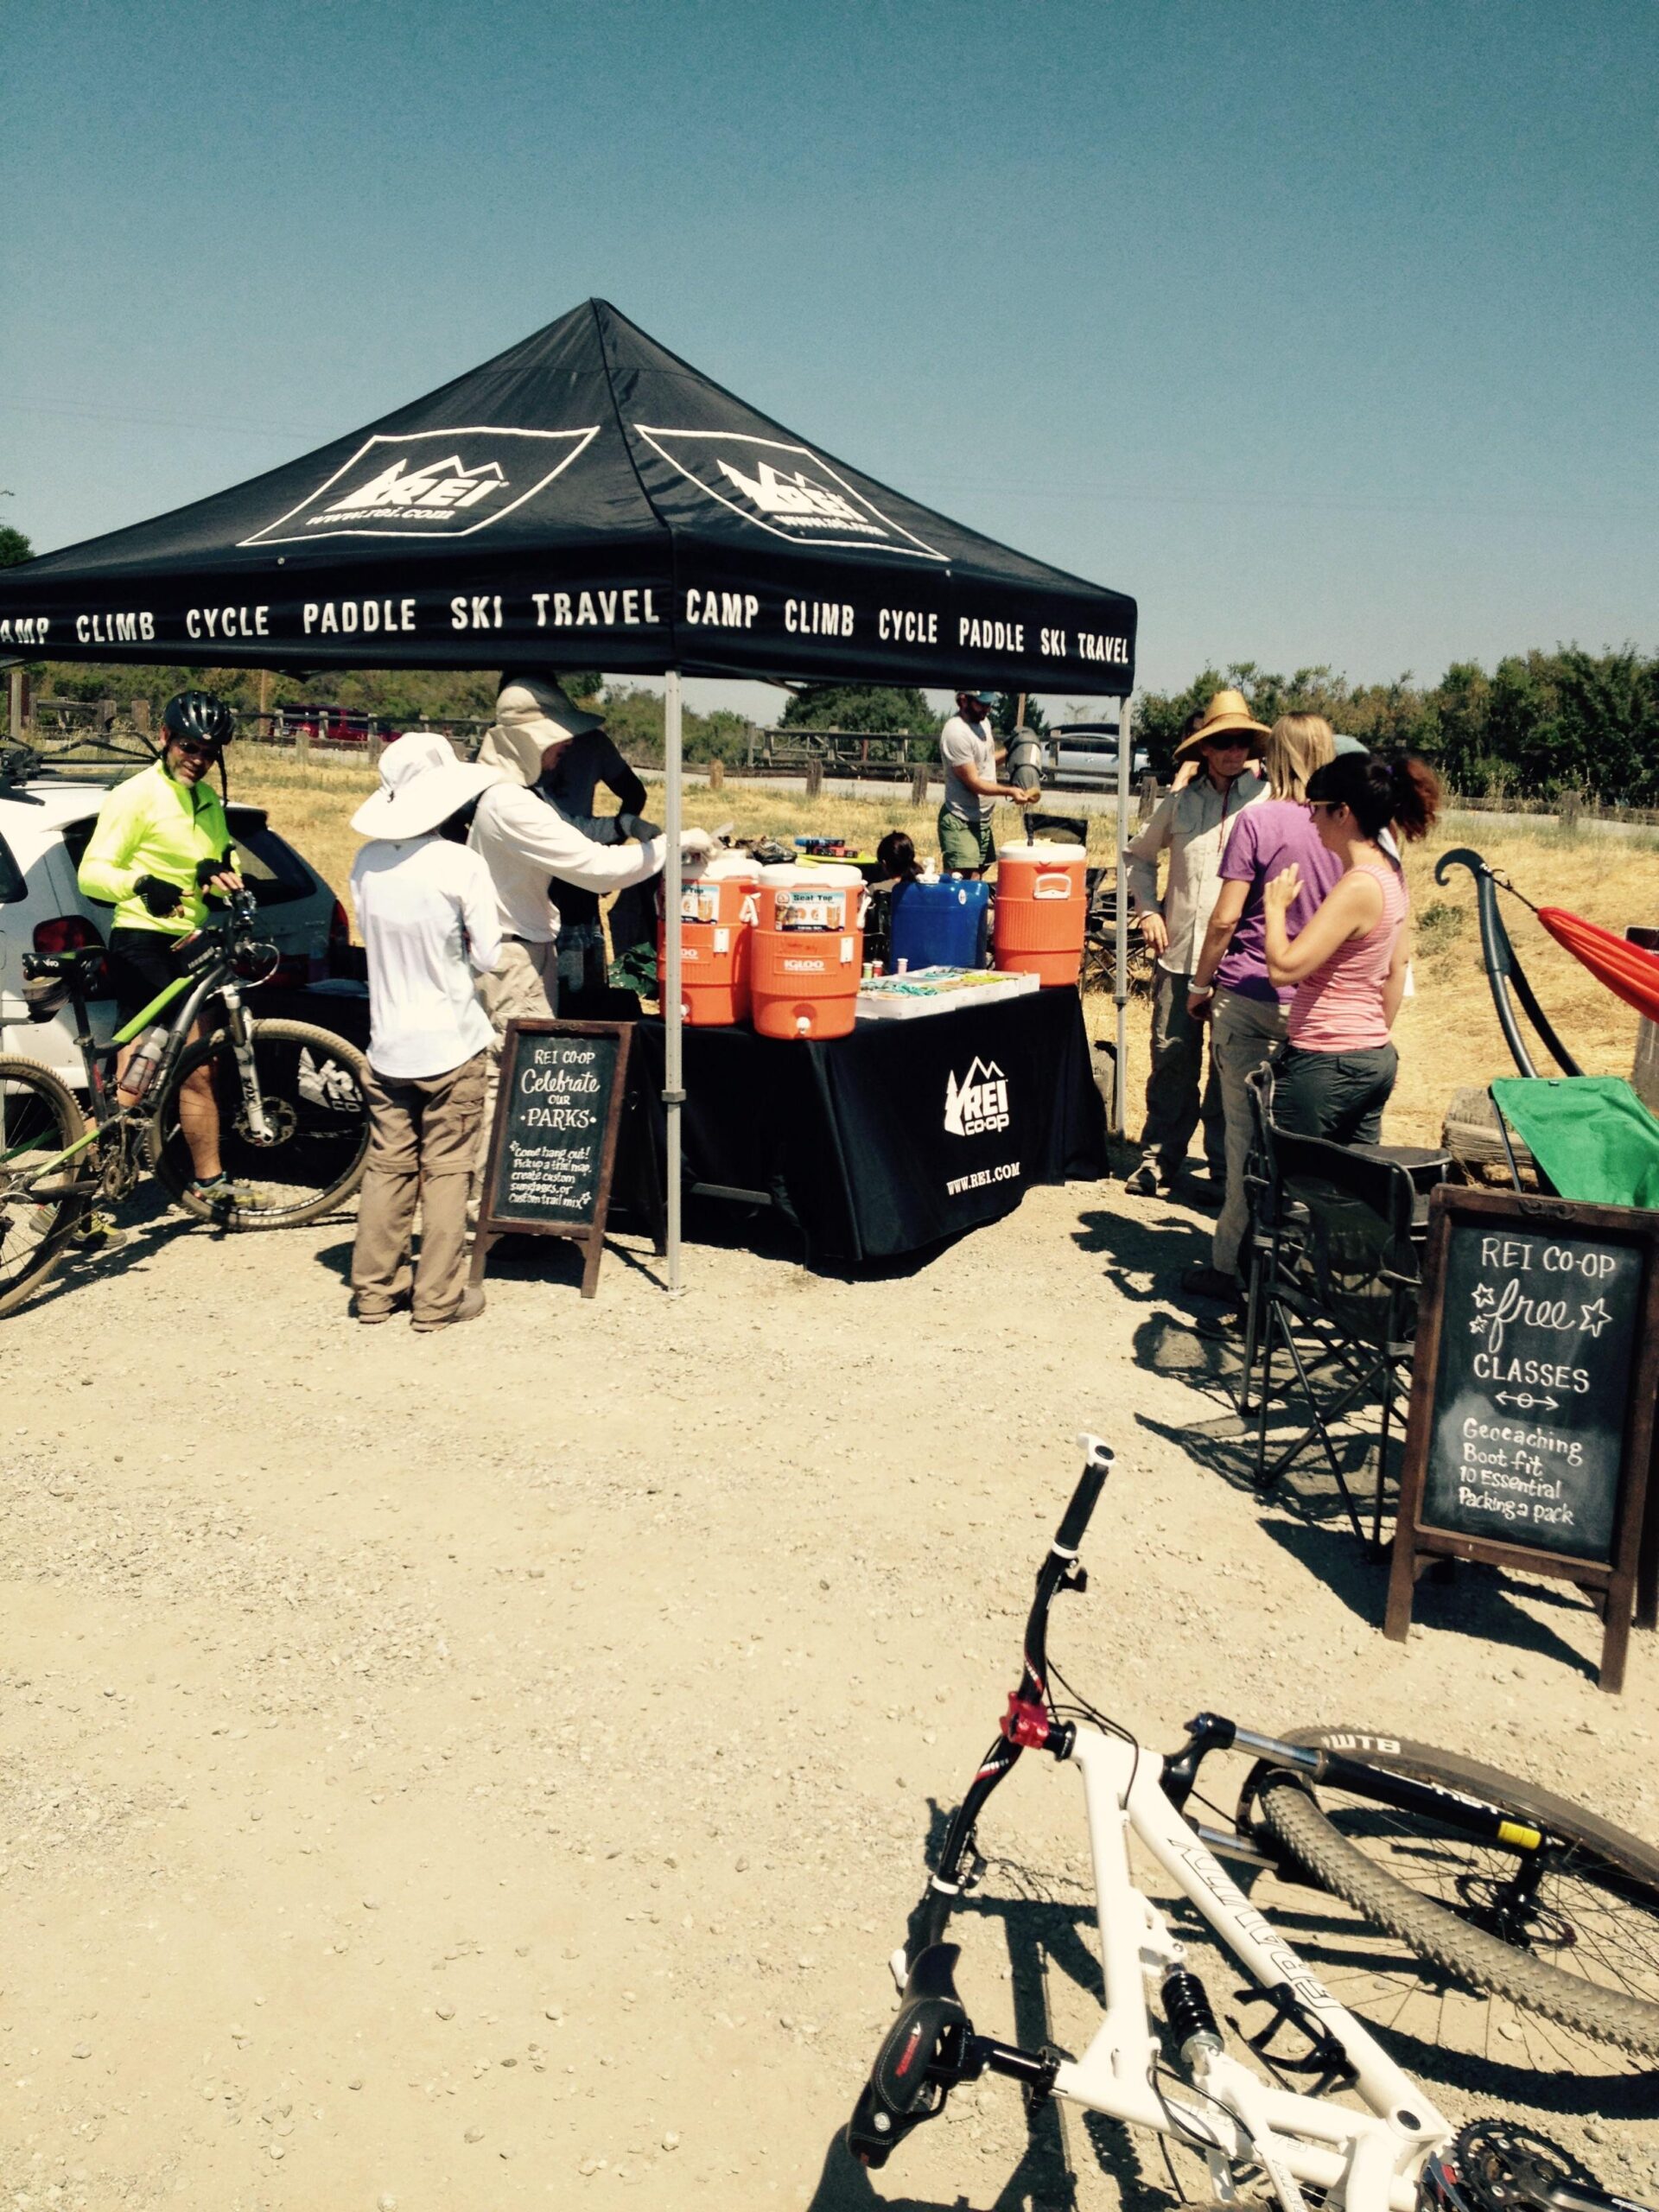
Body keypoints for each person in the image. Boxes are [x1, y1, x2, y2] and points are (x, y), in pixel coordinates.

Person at [467, 676, 671, 1160]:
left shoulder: (515, 799)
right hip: (512, 953)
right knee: (515, 1081)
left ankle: (505, 1202)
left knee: (523, 1075)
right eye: (555, 742)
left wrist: (627, 830)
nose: (563, 753)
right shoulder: (509, 803)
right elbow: (598, 871)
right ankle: (490, 1207)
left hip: (527, 945)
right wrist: (668, 845)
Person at [1179, 715, 1341, 1300]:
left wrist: (1200, 986)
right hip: (1322, 1003)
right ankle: (1297, 1269)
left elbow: (1224, 918)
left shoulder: (1259, 821)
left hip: (1251, 994)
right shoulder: (1351, 829)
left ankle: (1230, 1266)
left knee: (1246, 1140)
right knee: (1308, 1145)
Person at [348, 734, 505, 1332]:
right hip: (450, 1040)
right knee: (446, 1172)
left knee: (388, 1167)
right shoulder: (461, 864)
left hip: (387, 1042)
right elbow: (489, 956)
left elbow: (368, 932)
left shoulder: (367, 862)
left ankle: (374, 1292)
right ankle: (437, 1300)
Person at [76, 689, 246, 1206]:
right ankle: (66, 1187)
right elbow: (92, 873)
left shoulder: (207, 800)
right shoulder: (135, 796)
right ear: (166, 738)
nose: (198, 759)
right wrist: (141, 884)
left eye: (209, 752)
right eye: (190, 747)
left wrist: (218, 877)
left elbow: (221, 863)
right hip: (141, 940)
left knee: (189, 1066)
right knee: (166, 1062)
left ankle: (206, 1182)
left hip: (189, 943)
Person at [1121, 689, 1268, 1198]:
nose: (1233, 751)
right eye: (1223, 742)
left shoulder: (1267, 804)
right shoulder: (1180, 803)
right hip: (1180, 954)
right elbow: (1136, 857)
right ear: (1204, 748)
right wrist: (1147, 910)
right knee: (1172, 1059)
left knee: (1234, 1071)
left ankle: (1228, 1169)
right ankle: (1158, 1159)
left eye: (1242, 742)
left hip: (1241, 965)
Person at [1261, 751, 1444, 1145]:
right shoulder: (1391, 873)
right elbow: (1398, 965)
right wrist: (1367, 1040)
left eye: (1316, 809)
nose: (1311, 820)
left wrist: (1275, 910)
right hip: (1370, 1054)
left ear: (1343, 812)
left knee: (1293, 1186)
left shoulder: (1358, 886)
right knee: (1353, 1190)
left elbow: (1283, 969)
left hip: (1325, 1059)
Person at [537, 712, 657, 1001]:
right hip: (541, 863)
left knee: (578, 956)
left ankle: (578, 1014)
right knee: (544, 954)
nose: (564, 747)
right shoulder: (508, 760)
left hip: (576, 860)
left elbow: (633, 793)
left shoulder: (591, 742)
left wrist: (609, 846)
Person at [937, 688, 1036, 876]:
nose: (987, 709)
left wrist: (1013, 750)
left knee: (977, 875)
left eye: (989, 704)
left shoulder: (984, 724)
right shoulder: (956, 733)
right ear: (963, 701)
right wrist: (1010, 791)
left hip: (981, 819)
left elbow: (987, 761)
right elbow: (973, 782)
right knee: (960, 881)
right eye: (981, 703)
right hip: (961, 818)